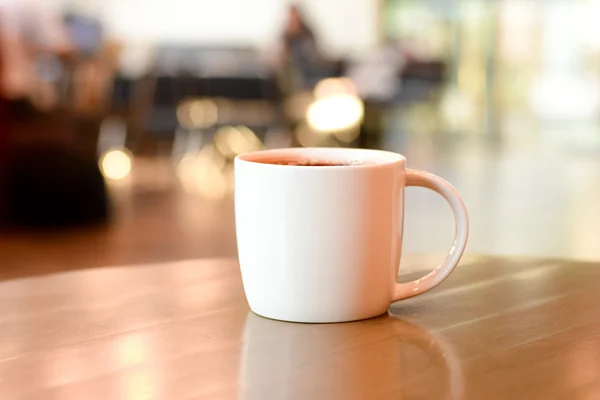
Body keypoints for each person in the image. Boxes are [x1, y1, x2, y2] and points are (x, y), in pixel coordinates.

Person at [278, 6, 330, 93]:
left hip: (309, 69)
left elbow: (313, 56)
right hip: (293, 71)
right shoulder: (286, 37)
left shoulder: (307, 35)